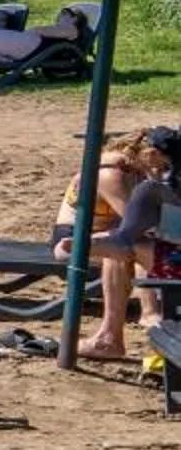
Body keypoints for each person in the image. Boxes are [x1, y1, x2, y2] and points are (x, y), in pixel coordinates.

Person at [58, 124, 173, 359]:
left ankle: (140, 318)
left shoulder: (132, 168)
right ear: (150, 155)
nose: (164, 171)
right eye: (163, 165)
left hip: (111, 232)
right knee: (126, 244)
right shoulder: (110, 173)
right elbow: (138, 223)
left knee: (128, 242)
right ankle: (139, 319)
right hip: (73, 238)